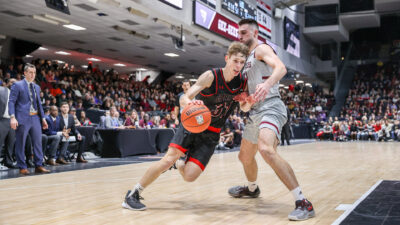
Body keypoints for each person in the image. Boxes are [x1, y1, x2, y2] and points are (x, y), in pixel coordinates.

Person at [122, 42, 250, 211]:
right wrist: (192, 103)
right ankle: (133, 195)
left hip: (212, 133)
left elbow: (244, 108)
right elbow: (184, 98)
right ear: (227, 59)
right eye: (235, 61)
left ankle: (180, 163)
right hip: (193, 125)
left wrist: (247, 102)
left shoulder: (241, 82)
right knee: (167, 160)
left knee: (189, 177)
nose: (238, 66)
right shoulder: (211, 76)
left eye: (242, 62)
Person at [228, 19, 314, 221]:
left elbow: (281, 68)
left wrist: (267, 86)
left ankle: (303, 202)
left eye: (244, 33)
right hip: (255, 112)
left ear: (255, 33)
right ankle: (252, 189)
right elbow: (245, 104)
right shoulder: (246, 60)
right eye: (238, 34)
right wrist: (245, 102)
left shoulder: (261, 49)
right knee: (244, 157)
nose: (240, 37)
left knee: (266, 149)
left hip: (272, 106)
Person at [8, 63, 50, 175]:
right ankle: (22, 166)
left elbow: (39, 104)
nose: (33, 75)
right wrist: (12, 117)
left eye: (34, 72)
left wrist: (43, 118)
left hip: (35, 117)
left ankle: (39, 165)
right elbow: (11, 102)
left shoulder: (36, 86)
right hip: (22, 117)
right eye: (30, 72)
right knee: (21, 143)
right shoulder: (17, 85)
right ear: (25, 73)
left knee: (38, 142)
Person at [0, 79, 16, 169]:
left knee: (10, 143)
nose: (14, 84)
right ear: (6, 83)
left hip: (12, 120)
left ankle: (8, 162)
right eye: (12, 82)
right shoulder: (1, 90)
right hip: (2, 119)